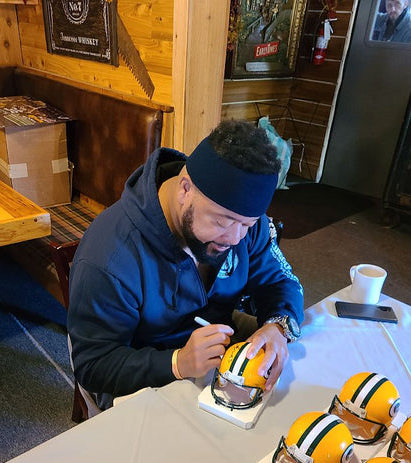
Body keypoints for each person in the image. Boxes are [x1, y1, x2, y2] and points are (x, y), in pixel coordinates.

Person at [67, 120, 303, 410]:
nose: (234, 238)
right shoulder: (109, 257)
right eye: (221, 221)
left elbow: (281, 280)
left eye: (247, 224)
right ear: (185, 189)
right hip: (145, 371)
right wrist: (177, 363)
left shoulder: (242, 224)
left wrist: (277, 326)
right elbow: (93, 366)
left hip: (219, 345)